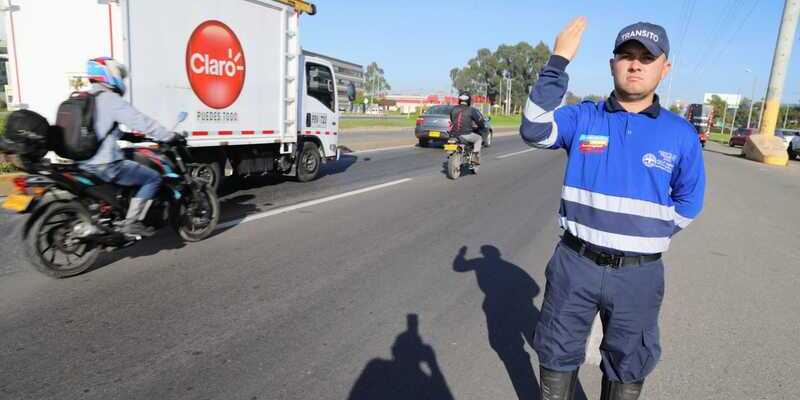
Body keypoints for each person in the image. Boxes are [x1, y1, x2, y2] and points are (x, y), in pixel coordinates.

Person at [519, 18, 705, 400]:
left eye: (646, 58)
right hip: (575, 265)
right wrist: (558, 60)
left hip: (639, 275)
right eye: (627, 55)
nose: (635, 65)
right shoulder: (584, 117)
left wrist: (649, 235)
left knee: (629, 360)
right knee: (555, 351)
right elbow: (534, 128)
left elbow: (689, 200)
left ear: (663, 68)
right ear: (612, 63)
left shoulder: (680, 133)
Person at [80, 57, 177, 236]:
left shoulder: (85, 98)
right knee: (153, 178)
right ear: (109, 74)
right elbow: (141, 121)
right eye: (119, 75)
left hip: (82, 163)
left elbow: (99, 130)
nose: (121, 79)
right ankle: (132, 222)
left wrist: (128, 136)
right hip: (106, 164)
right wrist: (168, 135)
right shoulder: (109, 99)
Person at [449, 92, 485, 164]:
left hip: (453, 134)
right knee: (479, 139)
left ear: (459, 100)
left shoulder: (453, 109)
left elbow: (452, 120)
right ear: (469, 101)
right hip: (466, 134)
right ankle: (474, 158)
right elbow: (479, 121)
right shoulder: (471, 110)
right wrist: (481, 126)